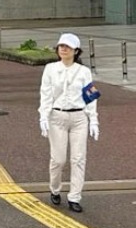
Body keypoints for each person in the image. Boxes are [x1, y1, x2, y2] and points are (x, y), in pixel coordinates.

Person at [38, 33, 99, 213]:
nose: (63, 49)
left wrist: (93, 120)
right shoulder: (50, 69)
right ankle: (55, 189)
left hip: (79, 118)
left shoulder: (84, 71)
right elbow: (45, 94)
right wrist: (43, 116)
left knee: (78, 159)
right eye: (61, 46)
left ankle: (74, 197)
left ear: (76, 51)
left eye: (68, 47)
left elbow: (91, 97)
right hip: (57, 117)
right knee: (58, 159)